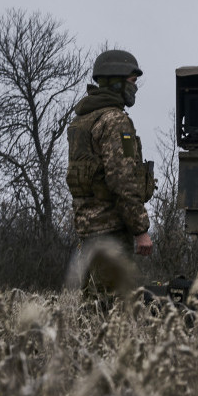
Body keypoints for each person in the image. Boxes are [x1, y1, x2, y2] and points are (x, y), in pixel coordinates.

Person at [66, 49, 155, 307]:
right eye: (132, 81)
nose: (135, 88)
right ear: (116, 82)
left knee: (93, 308)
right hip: (112, 231)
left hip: (88, 229)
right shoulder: (115, 121)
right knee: (115, 311)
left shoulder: (83, 120)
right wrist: (141, 230)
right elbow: (122, 180)